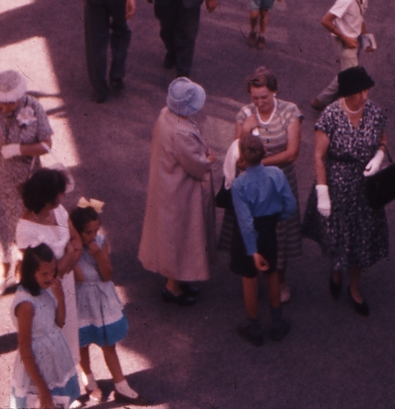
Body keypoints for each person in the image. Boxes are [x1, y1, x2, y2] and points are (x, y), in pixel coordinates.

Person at [302, 65, 388, 316]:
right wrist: (322, 192)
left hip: (364, 185)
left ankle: (355, 287)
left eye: (366, 90)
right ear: (348, 93)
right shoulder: (329, 116)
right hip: (337, 185)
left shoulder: (374, 112)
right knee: (339, 234)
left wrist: (379, 156)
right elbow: (318, 156)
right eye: (360, 91)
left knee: (361, 236)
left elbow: (383, 140)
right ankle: (337, 271)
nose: (365, 95)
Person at [0, 70, 53, 298]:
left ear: (20, 97)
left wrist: (20, 149)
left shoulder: (34, 107)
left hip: (25, 181)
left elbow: (47, 144)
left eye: (8, 104)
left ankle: (20, 268)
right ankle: (2, 268)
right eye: (0, 103)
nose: (3, 108)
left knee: (22, 226)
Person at [138, 77, 216, 306]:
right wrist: (209, 159)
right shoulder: (182, 131)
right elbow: (196, 164)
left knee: (172, 234)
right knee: (182, 235)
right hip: (181, 191)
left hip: (167, 184)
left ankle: (179, 279)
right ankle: (173, 285)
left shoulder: (165, 116)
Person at [230, 131, 297, 345]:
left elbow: (245, 222)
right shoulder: (276, 173)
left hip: (248, 236)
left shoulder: (239, 184)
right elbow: (290, 205)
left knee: (249, 279)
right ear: (264, 152)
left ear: (241, 157)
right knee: (272, 273)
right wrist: (278, 218)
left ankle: (255, 328)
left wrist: (252, 250)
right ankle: (277, 324)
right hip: (269, 227)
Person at [69, 203, 139, 402]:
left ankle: (121, 384)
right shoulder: (71, 249)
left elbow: (107, 275)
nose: (92, 236)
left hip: (101, 298)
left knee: (108, 343)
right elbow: (80, 278)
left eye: (95, 230)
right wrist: (74, 251)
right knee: (82, 343)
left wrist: (98, 254)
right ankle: (89, 380)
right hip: (81, 300)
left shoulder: (100, 242)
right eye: (87, 232)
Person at [15, 168, 83, 364]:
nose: (63, 195)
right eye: (59, 192)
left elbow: (76, 240)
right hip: (47, 294)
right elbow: (47, 274)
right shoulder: (26, 230)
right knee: (54, 344)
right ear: (48, 197)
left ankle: (72, 386)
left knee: (70, 336)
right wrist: (70, 254)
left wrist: (67, 259)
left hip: (66, 285)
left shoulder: (58, 211)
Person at [10, 244, 81, 409]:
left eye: (53, 271)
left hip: (56, 361)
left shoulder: (46, 288)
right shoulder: (26, 304)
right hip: (38, 368)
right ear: (30, 272)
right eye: (44, 273)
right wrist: (43, 390)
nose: (51, 277)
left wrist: (61, 298)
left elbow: (59, 324)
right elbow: (25, 350)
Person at [312, 0, 376, 110]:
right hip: (345, 42)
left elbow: (360, 18)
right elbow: (326, 21)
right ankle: (345, 109)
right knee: (354, 78)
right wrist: (345, 38)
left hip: (355, 39)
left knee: (347, 72)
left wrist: (366, 39)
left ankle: (321, 101)